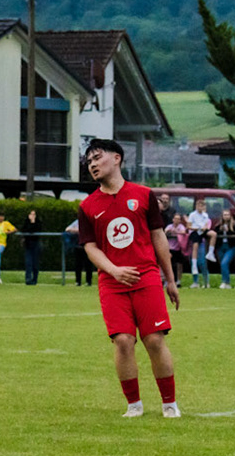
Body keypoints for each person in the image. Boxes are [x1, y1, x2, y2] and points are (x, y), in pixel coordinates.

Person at [75, 137, 181, 417]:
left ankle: (169, 404)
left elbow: (159, 237)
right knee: (123, 341)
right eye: (89, 162)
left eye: (97, 158)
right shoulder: (87, 206)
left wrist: (170, 279)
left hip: (145, 277)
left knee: (155, 340)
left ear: (117, 158)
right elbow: (90, 247)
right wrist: (113, 270)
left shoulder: (144, 195)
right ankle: (134, 405)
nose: (92, 165)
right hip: (111, 282)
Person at [186, 198, 213, 288]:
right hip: (195, 236)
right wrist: (197, 228)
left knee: (202, 262)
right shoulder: (192, 215)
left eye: (202, 205)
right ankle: (195, 281)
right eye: (198, 205)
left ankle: (206, 282)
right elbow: (189, 226)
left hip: (202, 239)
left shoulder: (205, 215)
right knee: (195, 260)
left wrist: (204, 228)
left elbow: (207, 225)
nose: (200, 207)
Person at [22, 208, 42, 285]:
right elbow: (25, 230)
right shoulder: (26, 222)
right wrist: (30, 223)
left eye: (34, 214)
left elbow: (36, 230)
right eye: (31, 214)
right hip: (28, 245)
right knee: (28, 262)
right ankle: (28, 279)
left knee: (35, 263)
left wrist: (33, 222)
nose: (32, 216)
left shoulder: (38, 223)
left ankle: (35, 279)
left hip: (36, 244)